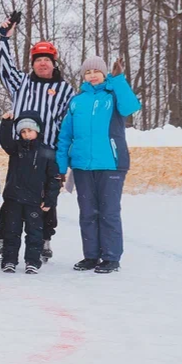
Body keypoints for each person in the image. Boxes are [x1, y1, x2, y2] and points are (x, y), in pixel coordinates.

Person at [0, 10, 75, 261]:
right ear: (33, 63)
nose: (42, 63)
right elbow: (3, 68)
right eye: (38, 59)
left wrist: (62, 161)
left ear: (54, 62)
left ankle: (44, 241)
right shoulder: (21, 83)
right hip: (21, 151)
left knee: (47, 199)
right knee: (12, 197)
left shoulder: (65, 90)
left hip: (48, 152)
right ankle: (4, 239)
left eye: (47, 59)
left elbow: (68, 126)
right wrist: (4, 38)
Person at [57, 57, 140, 274]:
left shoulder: (113, 96)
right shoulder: (77, 101)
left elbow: (132, 106)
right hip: (83, 167)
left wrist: (119, 79)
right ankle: (91, 256)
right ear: (83, 76)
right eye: (87, 72)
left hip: (111, 164)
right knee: (87, 212)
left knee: (109, 212)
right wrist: (61, 166)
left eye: (97, 71)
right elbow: (65, 136)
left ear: (104, 74)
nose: (92, 75)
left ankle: (111, 257)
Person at [0, 113, 61, 274]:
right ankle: (9, 260)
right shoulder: (15, 149)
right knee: (11, 231)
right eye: (23, 131)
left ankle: (32, 261)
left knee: (34, 233)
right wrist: (6, 122)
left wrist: (49, 200)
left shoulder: (47, 152)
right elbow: (4, 141)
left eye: (30, 131)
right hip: (14, 199)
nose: (26, 134)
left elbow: (54, 179)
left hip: (34, 201)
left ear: (37, 131)